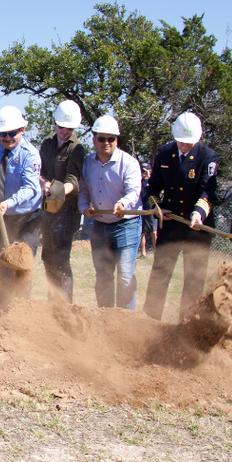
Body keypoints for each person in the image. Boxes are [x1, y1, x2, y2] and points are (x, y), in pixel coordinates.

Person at [142, 112, 219, 321]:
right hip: (171, 223)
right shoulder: (165, 152)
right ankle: (149, 320)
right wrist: (157, 207)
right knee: (160, 274)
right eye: (181, 142)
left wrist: (198, 213)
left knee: (194, 280)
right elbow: (153, 187)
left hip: (197, 226)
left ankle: (187, 323)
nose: (185, 146)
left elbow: (208, 191)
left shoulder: (207, 156)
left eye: (189, 143)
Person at [0, 106, 43, 310]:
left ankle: (20, 309)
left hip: (26, 218)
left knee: (22, 265)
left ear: (22, 130)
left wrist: (8, 203)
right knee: (2, 262)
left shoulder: (30, 155)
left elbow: (31, 189)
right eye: (3, 133)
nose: (7, 137)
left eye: (12, 133)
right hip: (0, 216)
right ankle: (4, 305)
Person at [78, 115, 142, 310]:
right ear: (94, 140)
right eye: (101, 138)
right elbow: (83, 192)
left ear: (117, 140)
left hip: (127, 226)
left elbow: (134, 191)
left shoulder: (129, 163)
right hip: (100, 226)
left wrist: (123, 203)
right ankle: (105, 320)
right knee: (103, 276)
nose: (106, 143)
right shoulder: (87, 163)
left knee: (125, 276)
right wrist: (84, 209)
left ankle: (126, 322)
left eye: (111, 139)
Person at [38, 100, 86, 304]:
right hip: (47, 208)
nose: (64, 131)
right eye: (61, 126)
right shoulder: (47, 142)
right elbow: (37, 171)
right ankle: (53, 300)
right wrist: (44, 183)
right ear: (55, 124)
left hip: (66, 211)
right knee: (47, 257)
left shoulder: (77, 148)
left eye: (69, 128)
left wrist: (57, 190)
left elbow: (73, 182)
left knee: (61, 259)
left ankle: (64, 304)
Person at [138, 163, 155, 258]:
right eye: (142, 171)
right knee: (142, 232)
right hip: (140, 209)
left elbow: (154, 189)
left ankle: (157, 252)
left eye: (145, 170)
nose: (143, 173)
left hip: (151, 209)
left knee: (154, 232)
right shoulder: (138, 181)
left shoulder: (152, 181)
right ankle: (143, 253)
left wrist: (149, 177)